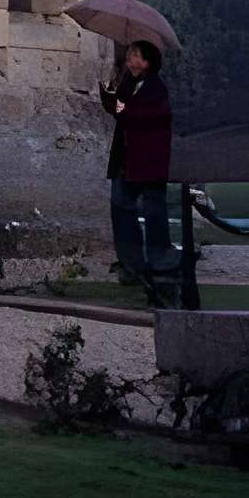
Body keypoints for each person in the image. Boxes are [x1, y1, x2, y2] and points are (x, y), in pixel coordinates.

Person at [100, 41, 180, 303]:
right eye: (131, 56)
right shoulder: (128, 86)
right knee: (122, 209)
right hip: (126, 160)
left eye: (136, 57)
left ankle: (160, 267)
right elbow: (120, 110)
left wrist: (123, 107)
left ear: (148, 63)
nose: (131, 61)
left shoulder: (156, 90)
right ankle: (131, 265)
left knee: (155, 214)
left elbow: (145, 116)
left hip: (148, 162)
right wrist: (110, 95)